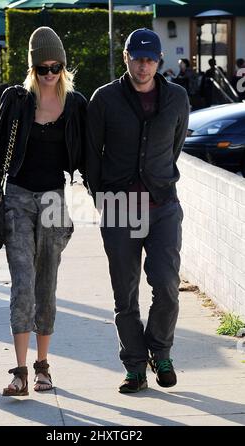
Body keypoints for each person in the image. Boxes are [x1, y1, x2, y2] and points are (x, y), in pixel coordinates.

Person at [86, 28, 189, 393]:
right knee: (124, 295)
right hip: (118, 208)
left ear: (159, 61)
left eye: (150, 59)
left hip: (163, 207)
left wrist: (155, 181)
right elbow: (91, 155)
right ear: (126, 57)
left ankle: (160, 352)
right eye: (137, 58)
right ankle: (134, 366)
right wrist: (101, 197)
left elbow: (173, 147)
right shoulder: (105, 99)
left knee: (166, 286)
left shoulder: (177, 98)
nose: (143, 66)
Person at [0, 26, 87, 396]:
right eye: (42, 68)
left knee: (47, 285)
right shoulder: (17, 100)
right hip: (17, 197)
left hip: (53, 203)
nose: (49, 74)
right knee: (23, 285)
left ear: (63, 66)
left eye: (55, 67)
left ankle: (43, 367)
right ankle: (19, 372)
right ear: (32, 68)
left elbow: (89, 154)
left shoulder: (76, 105)